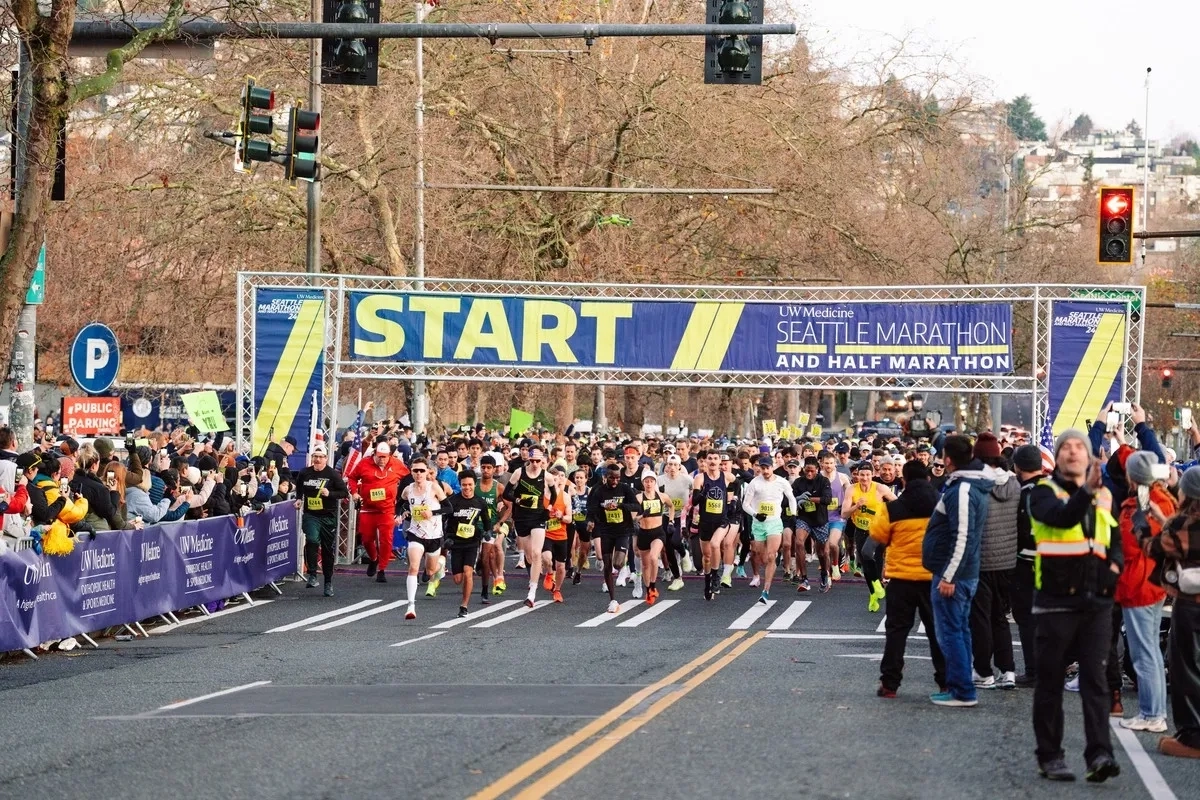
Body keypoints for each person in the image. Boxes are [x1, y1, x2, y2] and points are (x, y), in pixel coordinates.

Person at [1027, 428, 1122, 783]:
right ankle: (1050, 756)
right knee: (1050, 680)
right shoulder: (1043, 492)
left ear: (1088, 456)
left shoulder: (1102, 495)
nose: (1072, 451)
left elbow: (1112, 538)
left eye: (1078, 446)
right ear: (1059, 456)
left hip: (1096, 602)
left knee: (1095, 682)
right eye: (1065, 447)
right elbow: (1062, 518)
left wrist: (1114, 569)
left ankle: (1100, 755)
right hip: (1055, 601)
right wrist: (1087, 492)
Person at [922, 434, 992, 708]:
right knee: (958, 631)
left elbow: (962, 536)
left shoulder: (962, 490)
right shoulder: (967, 485)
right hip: (961, 571)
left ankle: (962, 690)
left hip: (954, 574)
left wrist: (950, 575)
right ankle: (960, 686)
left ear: (948, 459)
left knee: (951, 633)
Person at [869, 460, 945, 698]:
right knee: (937, 632)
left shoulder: (894, 508)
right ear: (928, 478)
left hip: (901, 577)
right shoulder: (941, 505)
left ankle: (890, 684)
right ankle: (945, 681)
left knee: (896, 631)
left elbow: (877, 534)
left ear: (904, 481)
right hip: (932, 576)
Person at [1139, 466, 1200, 758]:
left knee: (1186, 669)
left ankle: (1192, 737)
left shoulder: (1181, 524)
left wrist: (1142, 526)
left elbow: (1155, 549)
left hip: (1191, 604)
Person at [1115, 450, 1175, 734]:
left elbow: (1129, 547)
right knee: (1150, 651)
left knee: (1144, 654)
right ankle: (1155, 712)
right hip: (1153, 582)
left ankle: (1152, 714)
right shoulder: (1163, 500)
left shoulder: (1140, 506)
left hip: (1139, 582)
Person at [969, 432, 1021, 691]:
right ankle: (1008, 670)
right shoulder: (1014, 484)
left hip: (980, 559)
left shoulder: (976, 483)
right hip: (1007, 561)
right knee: (1000, 617)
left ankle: (983, 671)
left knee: (980, 618)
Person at [1010, 444, 1047, 687]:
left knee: (1025, 618)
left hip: (1026, 563)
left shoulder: (1020, 493)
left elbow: (1016, 530)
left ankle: (1034, 670)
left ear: (1017, 466)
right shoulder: (1055, 489)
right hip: (1056, 562)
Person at [347, 441, 410, 583]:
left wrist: (403, 498)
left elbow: (408, 479)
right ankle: (374, 559)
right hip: (368, 508)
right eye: (379, 456)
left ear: (389, 456)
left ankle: (382, 569)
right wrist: (354, 493)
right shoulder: (364, 463)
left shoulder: (396, 464)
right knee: (367, 539)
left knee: (386, 539)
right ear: (374, 454)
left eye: (385, 457)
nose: (382, 460)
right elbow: (352, 477)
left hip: (387, 510)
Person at [401, 457, 453, 620]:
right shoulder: (408, 489)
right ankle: (411, 606)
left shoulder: (435, 488)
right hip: (415, 533)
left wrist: (433, 513)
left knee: (430, 571)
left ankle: (440, 565)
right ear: (411, 471)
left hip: (434, 535)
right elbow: (400, 502)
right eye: (415, 470)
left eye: (421, 470)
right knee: (414, 567)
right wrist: (401, 513)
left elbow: (449, 508)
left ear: (427, 472)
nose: (418, 474)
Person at [741, 455, 798, 604]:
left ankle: (765, 590)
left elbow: (791, 498)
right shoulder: (755, 483)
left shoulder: (782, 482)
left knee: (771, 556)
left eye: (767, 468)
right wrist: (756, 514)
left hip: (774, 523)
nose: (765, 471)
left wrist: (793, 514)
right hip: (758, 524)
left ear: (772, 467)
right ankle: (769, 565)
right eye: (762, 468)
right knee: (763, 558)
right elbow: (745, 505)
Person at [294, 445, 349, 597]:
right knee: (311, 539)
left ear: (326, 458)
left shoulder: (332, 474)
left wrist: (329, 493)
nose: (317, 459)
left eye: (320, 457)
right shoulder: (305, 472)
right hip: (311, 514)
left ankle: (328, 582)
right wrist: (299, 499)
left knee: (327, 550)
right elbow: (299, 487)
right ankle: (312, 574)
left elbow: (344, 492)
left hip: (328, 516)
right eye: (315, 456)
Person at [587, 462, 642, 613]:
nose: (615, 481)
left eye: (618, 478)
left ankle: (622, 566)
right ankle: (613, 599)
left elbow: (638, 507)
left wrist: (621, 506)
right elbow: (591, 510)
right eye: (612, 478)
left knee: (617, 564)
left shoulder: (624, 489)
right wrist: (591, 521)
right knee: (606, 563)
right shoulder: (599, 491)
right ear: (605, 477)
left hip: (623, 530)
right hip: (605, 530)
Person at [503, 446, 553, 608]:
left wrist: (549, 508)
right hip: (522, 517)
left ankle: (532, 592)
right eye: (533, 461)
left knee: (537, 553)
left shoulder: (547, 476)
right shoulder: (519, 473)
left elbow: (555, 495)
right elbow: (506, 493)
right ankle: (533, 577)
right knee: (529, 556)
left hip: (538, 516)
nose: (536, 464)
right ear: (529, 460)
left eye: (539, 461)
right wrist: (518, 500)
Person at [842, 461, 895, 611]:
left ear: (873, 475)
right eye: (861, 475)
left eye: (867, 475)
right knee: (866, 564)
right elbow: (844, 514)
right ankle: (874, 594)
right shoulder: (851, 490)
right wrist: (856, 506)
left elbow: (899, 503)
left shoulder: (880, 488)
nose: (864, 478)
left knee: (873, 557)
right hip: (860, 529)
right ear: (857, 475)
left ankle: (877, 584)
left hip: (878, 529)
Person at [447, 471, 491, 617]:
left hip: (472, 542)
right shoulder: (453, 501)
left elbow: (487, 522)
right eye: (464, 485)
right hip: (456, 543)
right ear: (460, 485)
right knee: (457, 579)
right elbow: (443, 521)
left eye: (470, 485)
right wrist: (446, 537)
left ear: (475, 484)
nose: (467, 488)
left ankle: (464, 606)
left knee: (468, 573)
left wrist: (487, 532)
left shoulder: (480, 502)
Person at [791, 456, 833, 592]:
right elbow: (789, 499)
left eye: (812, 471)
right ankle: (804, 579)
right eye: (807, 471)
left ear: (817, 470)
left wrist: (809, 498)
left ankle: (824, 574)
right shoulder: (798, 482)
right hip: (804, 518)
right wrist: (797, 498)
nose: (809, 474)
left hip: (820, 520)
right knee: (798, 543)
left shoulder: (823, 481)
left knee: (822, 553)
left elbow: (827, 499)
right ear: (803, 470)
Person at [634, 470, 673, 605]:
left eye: (651, 481)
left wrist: (671, 521)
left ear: (655, 482)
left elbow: (671, 506)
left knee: (653, 557)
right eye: (646, 481)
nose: (649, 484)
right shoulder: (639, 498)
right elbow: (633, 518)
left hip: (658, 532)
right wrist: (642, 515)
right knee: (645, 565)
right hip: (644, 533)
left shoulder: (662, 496)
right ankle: (648, 590)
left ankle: (653, 585)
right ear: (643, 483)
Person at [540, 468, 570, 603]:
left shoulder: (565, 496)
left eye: (555, 479)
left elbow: (570, 518)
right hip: (546, 533)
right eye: (550, 479)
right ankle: (549, 574)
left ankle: (557, 589)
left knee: (561, 566)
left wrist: (561, 516)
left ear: (559, 480)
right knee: (546, 558)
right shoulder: (542, 496)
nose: (552, 481)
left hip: (561, 535)